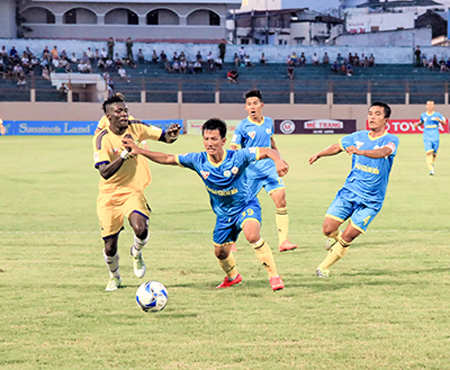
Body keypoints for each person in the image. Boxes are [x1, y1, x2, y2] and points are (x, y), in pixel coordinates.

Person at [122, 118, 287, 291]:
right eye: (206, 139)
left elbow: (268, 151)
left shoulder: (238, 157)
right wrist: (139, 150)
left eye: (214, 139)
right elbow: (168, 158)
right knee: (220, 253)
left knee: (252, 234)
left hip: (246, 205)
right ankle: (233, 277)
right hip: (223, 215)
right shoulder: (198, 160)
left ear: (223, 141)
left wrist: (279, 161)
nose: (209, 143)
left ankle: (274, 276)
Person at [92, 93, 181, 291]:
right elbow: (104, 172)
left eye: (125, 110)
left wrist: (171, 135)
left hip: (132, 189)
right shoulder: (102, 139)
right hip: (109, 194)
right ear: (109, 117)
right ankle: (114, 277)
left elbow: (164, 137)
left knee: (141, 229)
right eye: (119, 112)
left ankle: (136, 252)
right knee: (110, 246)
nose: (124, 115)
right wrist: (125, 154)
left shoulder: (136, 126)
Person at [309, 102, 399, 278]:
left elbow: (383, 152)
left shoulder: (391, 139)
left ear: (386, 120)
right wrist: (319, 154)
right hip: (349, 192)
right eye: (370, 113)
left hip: (371, 201)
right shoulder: (357, 136)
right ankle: (336, 238)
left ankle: (324, 267)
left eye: (377, 114)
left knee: (349, 237)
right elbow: (338, 147)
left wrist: (361, 152)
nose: (372, 117)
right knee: (327, 229)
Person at [230, 89, 297, 253]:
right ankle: (230, 240)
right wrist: (233, 167)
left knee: (281, 199)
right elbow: (233, 148)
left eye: (255, 103)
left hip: (269, 170)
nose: (252, 107)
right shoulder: (242, 126)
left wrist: (279, 159)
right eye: (249, 104)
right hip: (251, 173)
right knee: (239, 205)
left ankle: (283, 241)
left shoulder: (268, 122)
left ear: (261, 105)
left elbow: (271, 141)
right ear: (246, 108)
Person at [414, 100, 446, 175]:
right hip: (426, 136)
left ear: (434, 106)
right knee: (428, 153)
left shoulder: (438, 115)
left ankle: (431, 163)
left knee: (434, 153)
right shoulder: (423, 115)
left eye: (431, 105)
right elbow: (421, 122)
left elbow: (444, 123)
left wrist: (440, 121)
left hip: (435, 136)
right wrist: (417, 125)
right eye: (428, 105)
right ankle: (431, 170)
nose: (430, 106)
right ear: (426, 106)